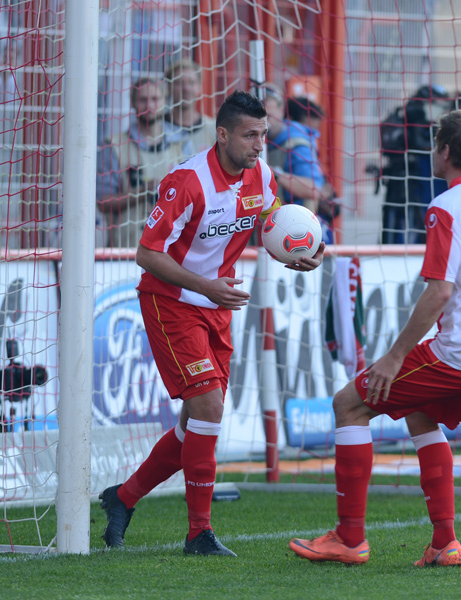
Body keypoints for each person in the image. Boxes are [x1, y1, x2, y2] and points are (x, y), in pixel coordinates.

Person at [289, 108, 461, 567]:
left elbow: (439, 291)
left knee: (348, 405)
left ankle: (349, 539)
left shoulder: (446, 206)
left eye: (434, 145)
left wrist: (394, 356)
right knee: (420, 412)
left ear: (444, 151)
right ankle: (444, 543)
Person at [98, 90, 325, 556]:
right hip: (171, 301)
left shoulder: (261, 175)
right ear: (222, 135)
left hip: (217, 305)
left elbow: (268, 221)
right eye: (249, 135)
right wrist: (206, 286)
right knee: (208, 408)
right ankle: (198, 534)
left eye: (263, 135)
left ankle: (123, 498)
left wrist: (297, 251)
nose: (259, 145)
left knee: (195, 423)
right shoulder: (187, 182)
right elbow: (147, 254)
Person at [96, 77, 192, 248]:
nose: (149, 105)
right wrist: (143, 191)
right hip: (127, 248)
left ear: (165, 101)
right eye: (142, 100)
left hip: (173, 249)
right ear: (132, 103)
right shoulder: (114, 146)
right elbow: (103, 202)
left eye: (155, 99)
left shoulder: (182, 144)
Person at [379, 84, 453, 244]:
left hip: (415, 178)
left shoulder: (417, 118)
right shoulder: (416, 118)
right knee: (409, 218)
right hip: (409, 177)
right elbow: (420, 143)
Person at [273, 96, 338, 244]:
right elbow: (312, 189)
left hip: (291, 223)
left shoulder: (290, 141)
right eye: (307, 129)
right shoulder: (298, 142)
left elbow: (314, 187)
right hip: (297, 225)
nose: (311, 134)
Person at [261, 84, 330, 210]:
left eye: (268, 116)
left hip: (293, 216)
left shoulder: (296, 142)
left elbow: (313, 189)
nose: (263, 122)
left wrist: (272, 173)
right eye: (258, 117)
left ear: (281, 110)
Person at [164, 59, 217, 154]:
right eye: (179, 82)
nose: (186, 88)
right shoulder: (158, 129)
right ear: (169, 87)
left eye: (191, 82)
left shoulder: (213, 129)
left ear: (199, 87)